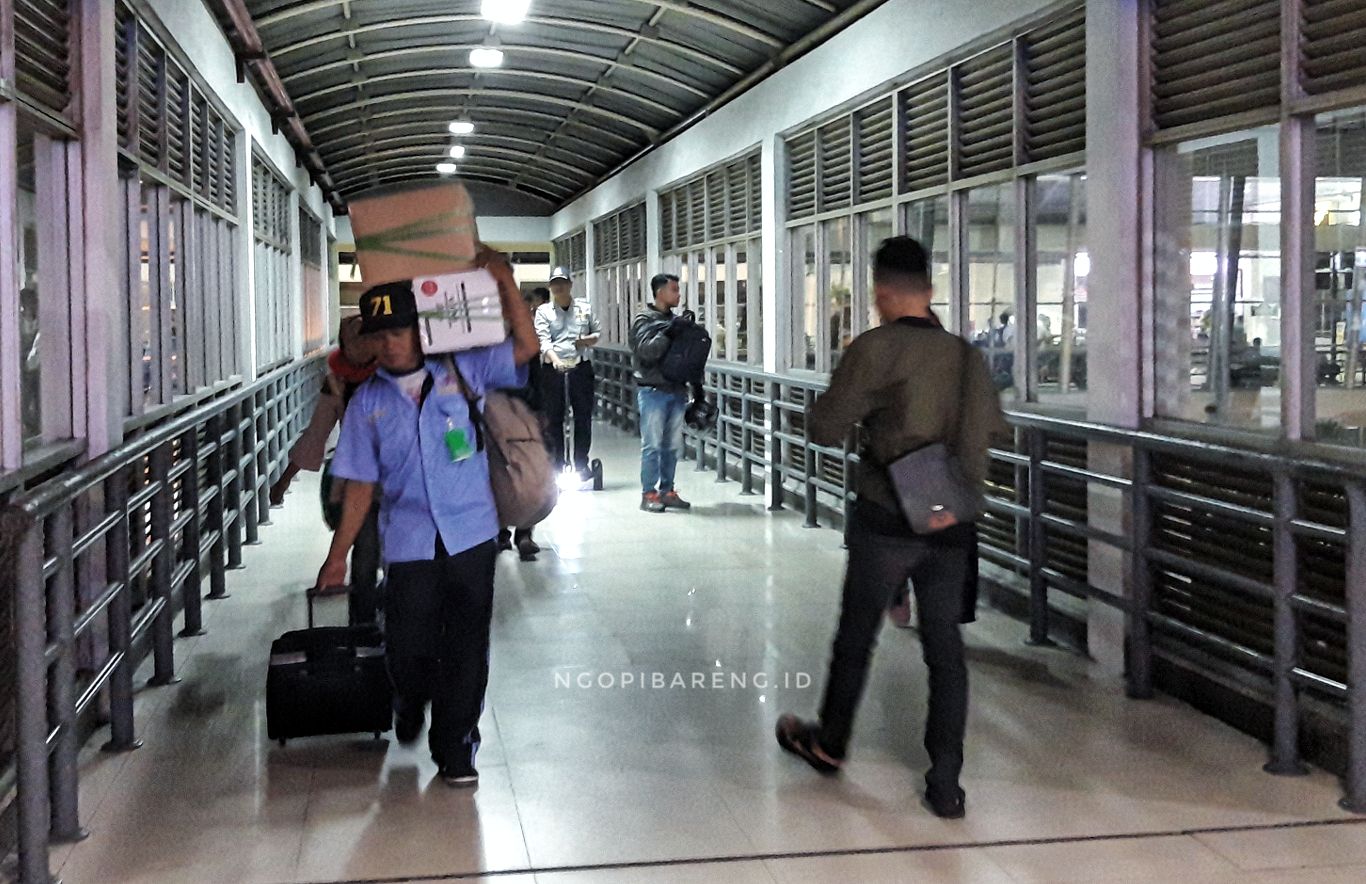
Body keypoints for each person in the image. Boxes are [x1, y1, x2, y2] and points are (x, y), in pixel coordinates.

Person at [775, 237, 1005, 820]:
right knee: (946, 652)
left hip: (884, 520)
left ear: (880, 293)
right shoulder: (966, 356)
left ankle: (830, 744)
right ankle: (946, 782)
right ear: (929, 290)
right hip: (951, 524)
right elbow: (987, 435)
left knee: (856, 639)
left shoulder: (873, 349)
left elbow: (826, 426)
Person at [314, 246, 539, 787]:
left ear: (423, 332)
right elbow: (362, 486)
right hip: (410, 542)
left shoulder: (463, 370)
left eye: (399, 331)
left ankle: (457, 747)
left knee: (466, 646)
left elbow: (528, 347)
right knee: (409, 648)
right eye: (380, 335)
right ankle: (409, 699)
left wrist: (503, 280)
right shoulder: (369, 402)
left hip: (471, 535)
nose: (389, 343)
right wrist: (336, 556)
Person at [271, 315, 381, 624]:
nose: (357, 346)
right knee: (365, 549)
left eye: (363, 338)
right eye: (350, 340)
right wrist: (284, 481)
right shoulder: (337, 384)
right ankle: (364, 624)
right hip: (360, 480)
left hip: (400, 476)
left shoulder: (394, 375)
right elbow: (316, 434)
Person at [629, 273, 693, 514]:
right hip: (653, 391)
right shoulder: (643, 320)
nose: (678, 295)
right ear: (660, 292)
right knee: (652, 445)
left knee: (672, 445)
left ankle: (667, 490)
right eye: (674, 290)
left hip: (676, 389)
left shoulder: (675, 321)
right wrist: (668, 332)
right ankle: (648, 493)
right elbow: (646, 352)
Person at [497, 287, 553, 560]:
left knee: (527, 471)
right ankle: (500, 532)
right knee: (496, 471)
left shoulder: (525, 338)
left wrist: (540, 408)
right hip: (493, 412)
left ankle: (525, 534)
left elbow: (536, 375)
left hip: (524, 410)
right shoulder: (485, 341)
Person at [534, 267, 601, 480]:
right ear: (551, 287)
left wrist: (588, 340)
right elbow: (544, 341)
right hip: (553, 369)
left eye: (563, 282)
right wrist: (556, 361)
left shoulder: (584, 307)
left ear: (570, 285)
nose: (559, 286)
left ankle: (581, 463)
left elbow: (597, 331)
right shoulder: (544, 311)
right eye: (555, 283)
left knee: (582, 417)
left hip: (580, 367)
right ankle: (557, 465)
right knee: (554, 418)